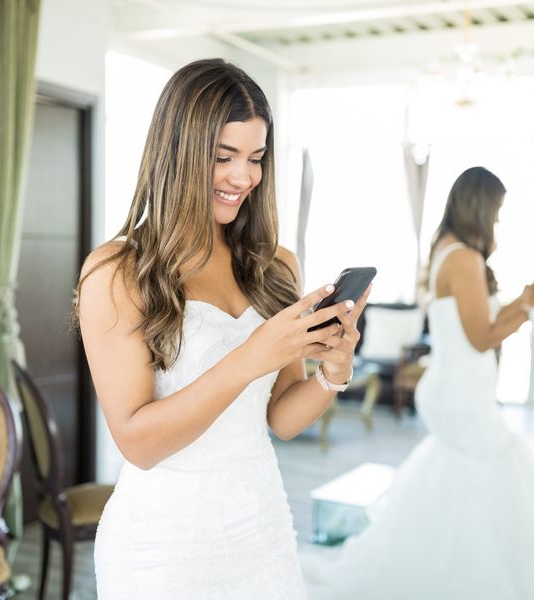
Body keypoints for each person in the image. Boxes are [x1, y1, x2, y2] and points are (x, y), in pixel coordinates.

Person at [75, 58, 370, 599]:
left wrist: (334, 369)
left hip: (262, 528)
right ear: (178, 153)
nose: (244, 178)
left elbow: (281, 418)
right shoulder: (118, 272)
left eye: (256, 159)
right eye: (223, 157)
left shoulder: (275, 264)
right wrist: (253, 354)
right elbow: (138, 444)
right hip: (162, 547)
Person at [302, 166, 534, 600]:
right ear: (480, 206)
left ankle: (443, 569)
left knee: (462, 484)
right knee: (499, 470)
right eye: (496, 212)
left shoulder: (450, 251)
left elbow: (479, 323)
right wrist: (529, 303)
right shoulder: (463, 258)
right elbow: (482, 336)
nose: (496, 223)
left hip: (456, 391)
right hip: (461, 396)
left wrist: (525, 302)